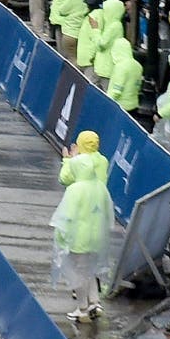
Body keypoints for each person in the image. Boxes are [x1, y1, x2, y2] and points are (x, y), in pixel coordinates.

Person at [52, 133, 114, 320]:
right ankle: (95, 303)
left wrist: (60, 240)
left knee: (78, 273)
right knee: (90, 269)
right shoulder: (100, 188)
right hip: (97, 237)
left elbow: (65, 218)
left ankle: (82, 308)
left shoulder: (75, 190)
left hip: (78, 238)